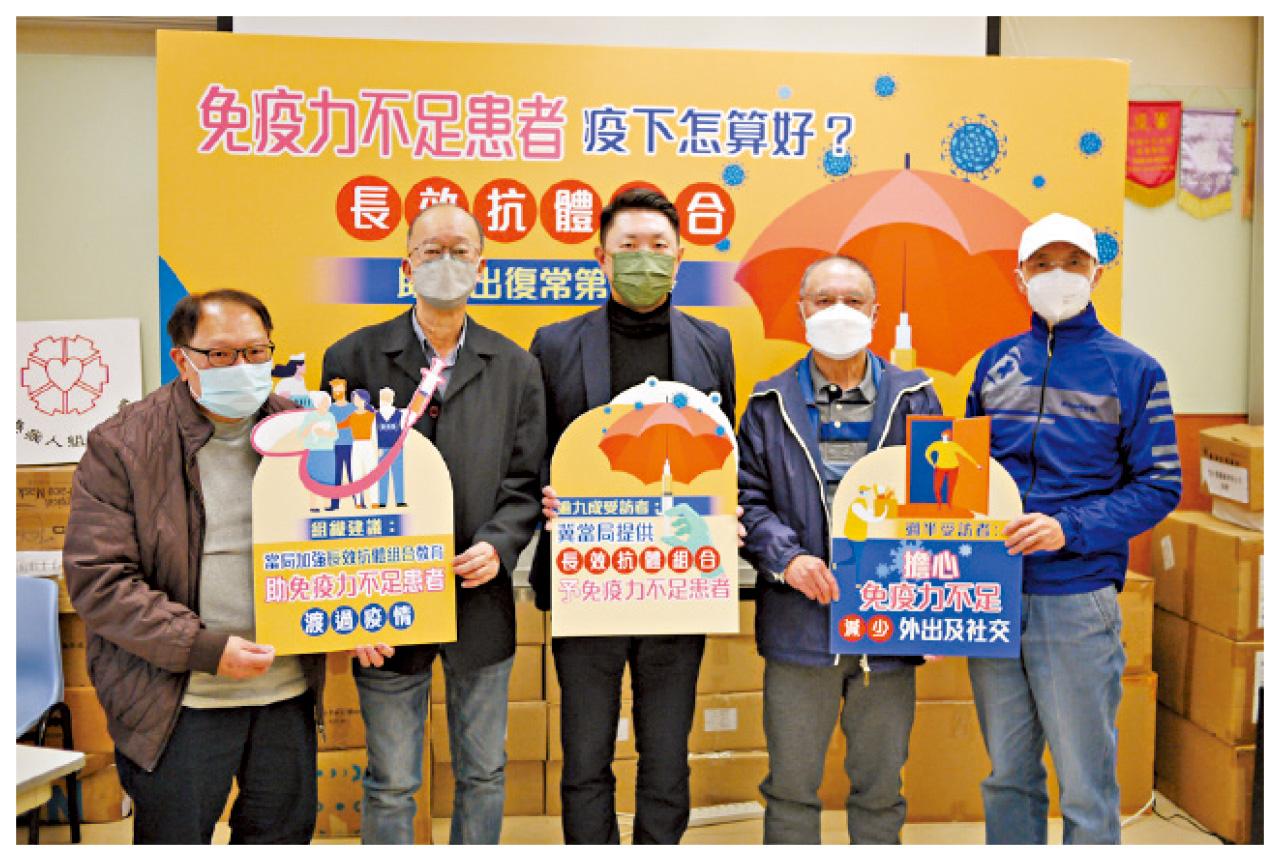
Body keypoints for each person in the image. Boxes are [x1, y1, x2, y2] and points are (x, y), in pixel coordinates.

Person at [63, 289, 325, 844]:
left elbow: (336, 541)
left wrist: (360, 614)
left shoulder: (303, 433)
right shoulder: (124, 443)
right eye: (221, 354)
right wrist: (204, 648)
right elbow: (100, 580)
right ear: (182, 360)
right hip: (178, 698)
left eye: (256, 352)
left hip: (285, 690)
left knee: (283, 836)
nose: (243, 367)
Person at [321, 203, 545, 845]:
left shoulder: (516, 366)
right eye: (430, 250)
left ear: (482, 265)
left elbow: (525, 480)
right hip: (384, 597)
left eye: (460, 250)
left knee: (484, 771)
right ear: (406, 265)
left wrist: (499, 546)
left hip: (479, 596)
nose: (445, 262)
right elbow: (329, 485)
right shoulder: (353, 357)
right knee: (392, 779)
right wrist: (351, 600)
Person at [965, 212, 1182, 844]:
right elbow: (963, 472)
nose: (1057, 275)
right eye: (1042, 264)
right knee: (1006, 775)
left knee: (1086, 786)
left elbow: (1161, 484)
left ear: (1096, 274)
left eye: (1072, 263)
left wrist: (1070, 527)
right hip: (991, 594)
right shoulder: (994, 365)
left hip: (1077, 597)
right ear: (1020, 277)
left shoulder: (1136, 371)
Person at [530, 187, 737, 844]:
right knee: (585, 752)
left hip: (679, 576)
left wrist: (723, 511)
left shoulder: (713, 343)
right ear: (601, 256)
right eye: (628, 246)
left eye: (658, 246)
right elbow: (536, 450)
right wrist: (547, 492)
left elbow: (721, 450)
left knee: (667, 753)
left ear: (680, 258)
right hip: (588, 574)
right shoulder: (555, 343)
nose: (644, 258)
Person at [737, 255, 942, 844]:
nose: (838, 311)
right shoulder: (768, 404)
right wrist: (788, 558)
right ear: (802, 310)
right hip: (799, 624)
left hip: (889, 624)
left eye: (853, 301)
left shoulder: (916, 397)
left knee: (880, 788)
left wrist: (940, 607)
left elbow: (942, 505)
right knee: (791, 787)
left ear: (876, 314)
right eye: (824, 299)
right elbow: (748, 498)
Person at [337, 388, 377, 507]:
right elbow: (340, 425)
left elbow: (376, 433)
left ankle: (374, 501)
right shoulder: (352, 416)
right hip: (356, 446)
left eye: (358, 399)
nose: (355, 401)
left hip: (369, 445)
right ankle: (358, 502)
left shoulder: (372, 416)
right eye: (354, 399)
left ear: (365, 400)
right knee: (356, 474)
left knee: (371, 474)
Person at [924, 427, 982, 509]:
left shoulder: (954, 445)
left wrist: (976, 464)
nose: (945, 437)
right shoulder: (937, 444)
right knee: (937, 487)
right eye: (944, 435)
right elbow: (927, 453)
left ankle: (949, 504)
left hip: (953, 468)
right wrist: (932, 464)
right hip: (940, 468)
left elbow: (965, 454)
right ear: (942, 436)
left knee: (951, 487)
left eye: (947, 436)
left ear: (950, 437)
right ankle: (939, 503)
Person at [300, 390, 339, 512]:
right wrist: (311, 426)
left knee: (328, 478)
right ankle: (313, 505)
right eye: (324, 402)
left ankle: (327, 504)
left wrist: (325, 433)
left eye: (327, 402)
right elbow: (303, 434)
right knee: (313, 478)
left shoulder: (330, 416)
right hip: (314, 451)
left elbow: (335, 435)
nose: (326, 404)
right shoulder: (310, 416)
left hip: (328, 451)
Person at [374, 386, 408, 508]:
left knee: (396, 474)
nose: (385, 400)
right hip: (384, 448)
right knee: (384, 476)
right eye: (384, 397)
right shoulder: (376, 415)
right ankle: (384, 501)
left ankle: (398, 500)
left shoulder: (400, 414)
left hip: (395, 449)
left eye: (386, 397)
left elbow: (405, 431)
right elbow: (373, 434)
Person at [326, 377, 356, 510]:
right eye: (334, 390)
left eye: (339, 389)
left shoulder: (353, 408)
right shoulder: (330, 409)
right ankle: (334, 504)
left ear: (344, 389)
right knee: (335, 476)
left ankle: (357, 502)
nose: (337, 392)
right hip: (335, 446)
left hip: (351, 445)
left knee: (353, 474)